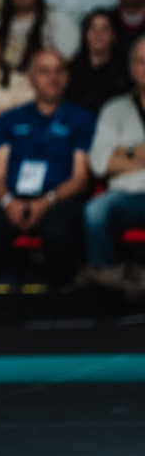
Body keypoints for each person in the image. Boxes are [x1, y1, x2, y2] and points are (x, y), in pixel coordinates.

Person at [0, 50, 94, 285]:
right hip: (13, 197)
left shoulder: (82, 119)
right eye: (44, 71)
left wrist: (46, 202)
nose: (53, 77)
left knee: (59, 234)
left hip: (58, 200)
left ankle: (57, 296)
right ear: (30, 79)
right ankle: (14, 287)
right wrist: (8, 202)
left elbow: (80, 178)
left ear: (68, 77)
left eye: (59, 70)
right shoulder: (10, 119)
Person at [82, 36, 145, 294]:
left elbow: (113, 158)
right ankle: (105, 287)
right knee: (95, 212)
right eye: (142, 62)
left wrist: (126, 152)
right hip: (125, 196)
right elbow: (99, 162)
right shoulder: (114, 109)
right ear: (132, 69)